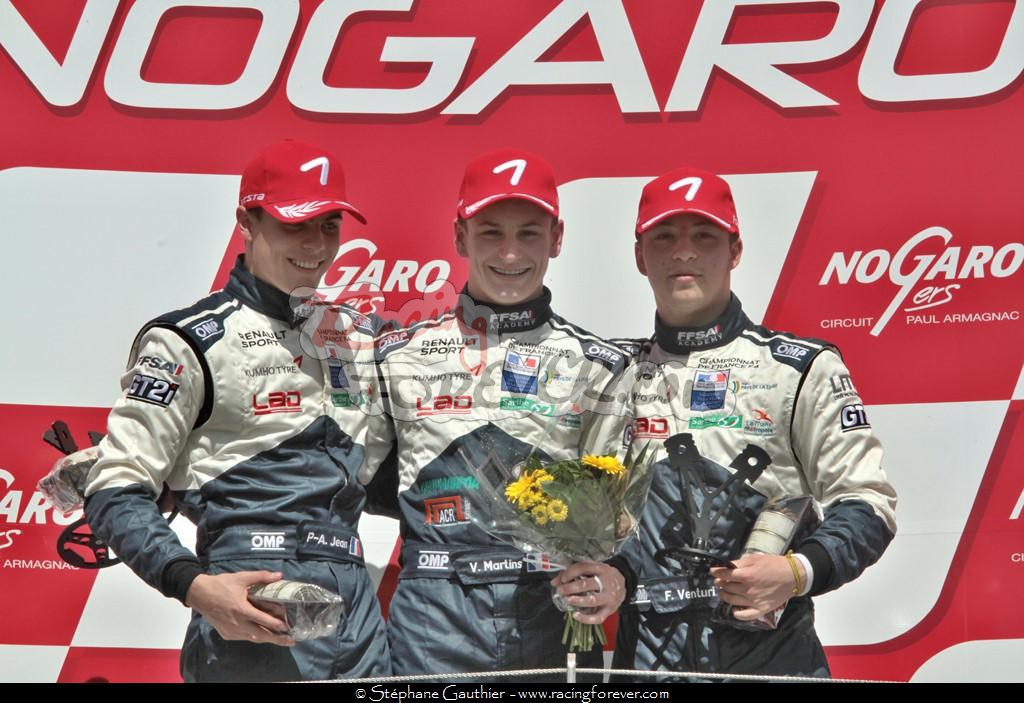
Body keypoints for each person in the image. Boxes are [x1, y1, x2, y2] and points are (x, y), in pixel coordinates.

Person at [83, 139, 392, 682]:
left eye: (329, 226)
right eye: (296, 225)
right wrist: (196, 587)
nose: (316, 245)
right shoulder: (187, 341)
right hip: (251, 608)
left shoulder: (360, 338)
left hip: (356, 618)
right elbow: (114, 486)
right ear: (247, 222)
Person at [612, 167, 897, 680]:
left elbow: (868, 504)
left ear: (735, 251)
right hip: (647, 662)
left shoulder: (798, 368)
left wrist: (795, 571)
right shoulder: (607, 375)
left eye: (704, 236)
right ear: (640, 255)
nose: (683, 252)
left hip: (771, 660)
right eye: (664, 237)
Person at [377, 149, 631, 680]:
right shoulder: (396, 355)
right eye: (491, 232)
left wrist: (614, 571)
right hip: (434, 617)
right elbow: (345, 479)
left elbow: (622, 510)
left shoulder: (600, 365)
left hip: (553, 610)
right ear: (460, 237)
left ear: (556, 238)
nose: (510, 253)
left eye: (529, 233)